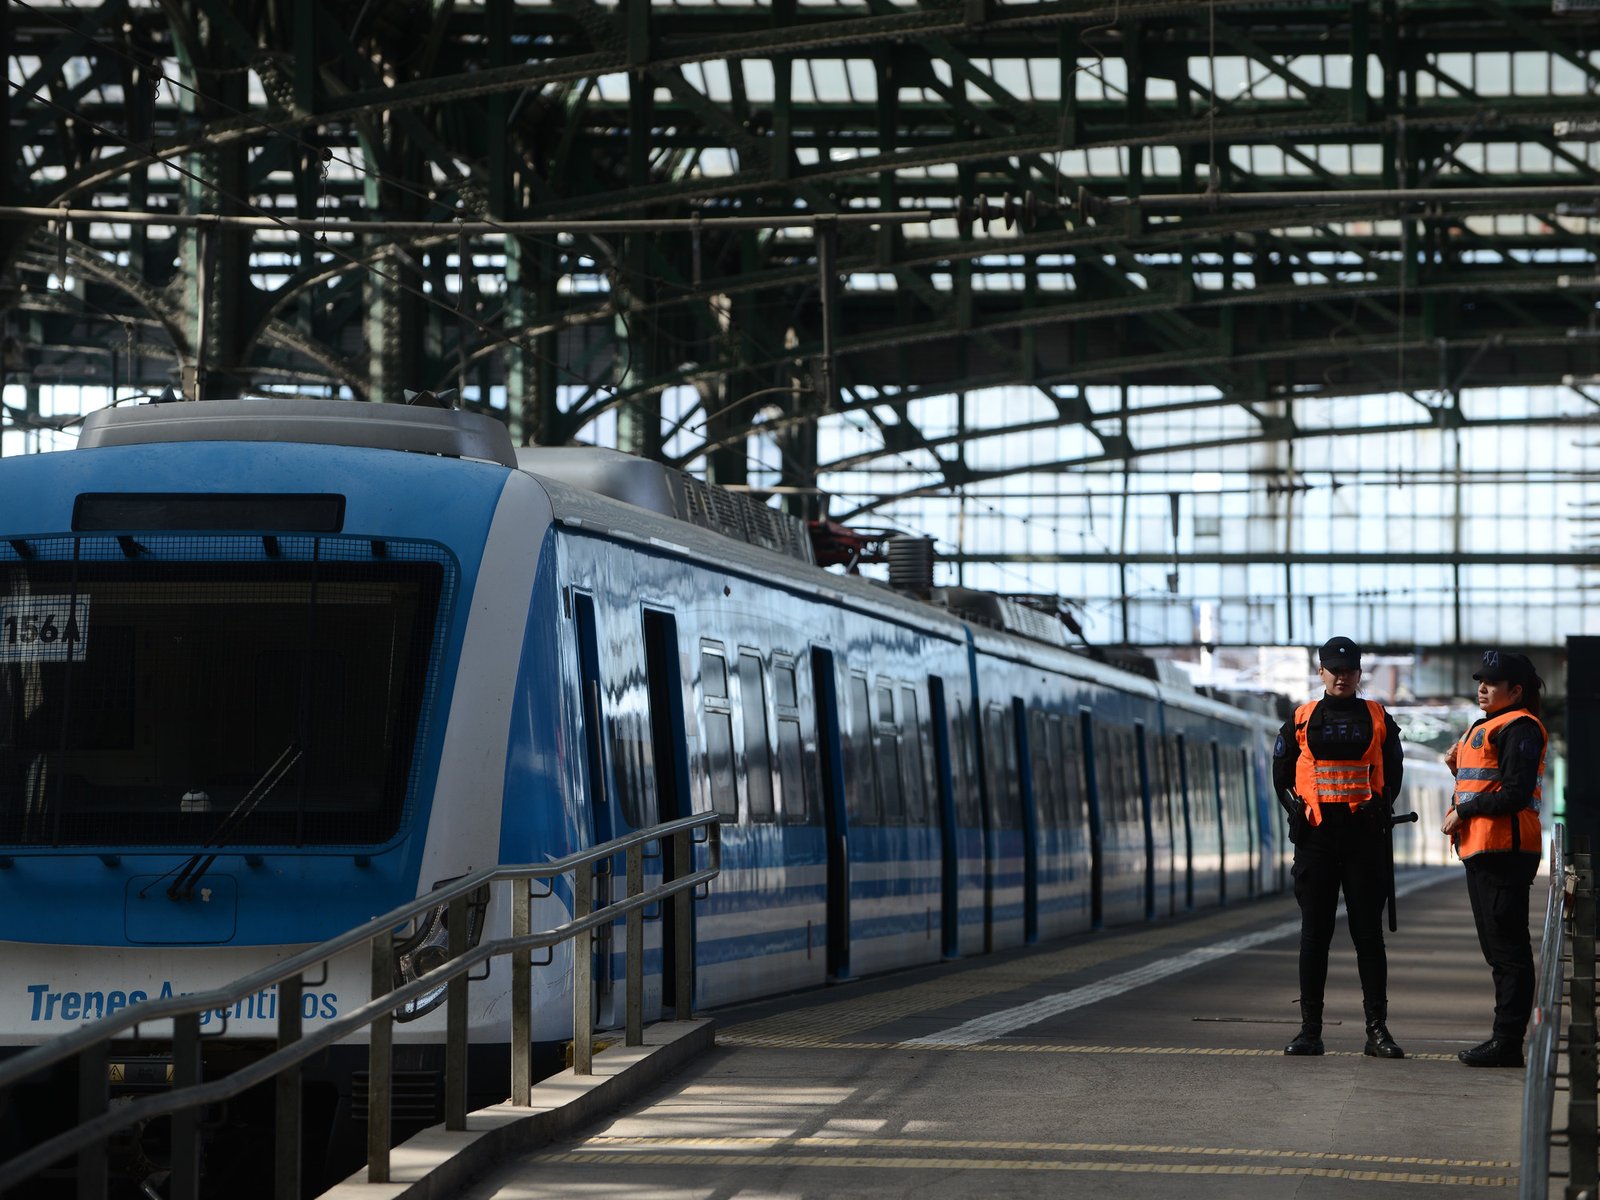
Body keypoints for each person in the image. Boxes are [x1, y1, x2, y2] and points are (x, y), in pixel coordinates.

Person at [1273, 636, 1405, 1058]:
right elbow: (1282, 775)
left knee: (1368, 937)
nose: (1342, 676)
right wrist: (1296, 810)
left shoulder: (1379, 717)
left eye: (1349, 670)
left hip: (1364, 838)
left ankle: (1377, 1031)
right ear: (1321, 673)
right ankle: (1310, 1030)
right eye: (1334, 669)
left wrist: (1379, 811)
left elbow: (1394, 773)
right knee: (1315, 935)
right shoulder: (1301, 718)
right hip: (1317, 839)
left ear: (1359, 673)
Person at [1441, 649, 1547, 1069]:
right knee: (1497, 949)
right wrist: (1456, 765)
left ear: (1515, 690)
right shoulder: (1488, 727)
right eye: (1480, 681)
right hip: (1484, 850)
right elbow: (1484, 781)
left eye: (1492, 683)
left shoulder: (1521, 728)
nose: (1482, 688)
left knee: (1507, 950)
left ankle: (1507, 1042)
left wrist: (1463, 811)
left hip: (1505, 850)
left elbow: (1516, 792)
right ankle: (1504, 1038)